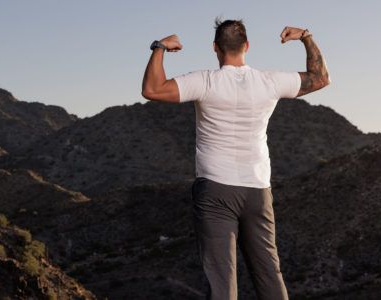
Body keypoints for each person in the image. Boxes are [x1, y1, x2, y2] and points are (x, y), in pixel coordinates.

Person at [141, 18, 330, 300]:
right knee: (269, 275)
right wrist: (305, 36)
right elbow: (320, 77)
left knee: (220, 281)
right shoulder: (270, 81)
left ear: (215, 48)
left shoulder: (204, 81)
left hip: (216, 191)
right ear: (247, 46)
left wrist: (160, 48)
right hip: (258, 192)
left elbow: (152, 89)